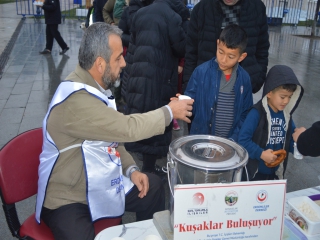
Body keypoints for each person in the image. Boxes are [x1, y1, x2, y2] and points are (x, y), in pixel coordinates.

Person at [35, 23, 194, 240]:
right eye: (118, 58)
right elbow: (126, 128)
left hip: (99, 182)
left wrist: (131, 170)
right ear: (100, 63)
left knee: (153, 186)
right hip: (69, 197)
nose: (124, 63)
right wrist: (168, 112)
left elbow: (112, 138)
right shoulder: (76, 100)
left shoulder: (95, 87)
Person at [122, 0, 189, 175]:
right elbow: (181, 48)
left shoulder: (140, 13)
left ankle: (146, 167)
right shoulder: (173, 16)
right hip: (160, 78)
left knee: (144, 115)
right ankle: (150, 170)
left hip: (139, 73)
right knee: (158, 118)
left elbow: (132, 46)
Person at [183, 0, 270, 94]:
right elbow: (191, 52)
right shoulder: (201, 9)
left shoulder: (257, 8)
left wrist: (257, 78)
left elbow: (262, 48)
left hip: (243, 87)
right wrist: (189, 85)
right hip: (205, 86)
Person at [184, 24, 253, 141]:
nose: (224, 59)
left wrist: (234, 138)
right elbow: (191, 103)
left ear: (241, 57)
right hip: (202, 139)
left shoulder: (244, 79)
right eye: (221, 52)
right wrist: (183, 103)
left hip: (229, 143)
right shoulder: (201, 72)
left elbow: (246, 113)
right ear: (217, 44)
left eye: (231, 56)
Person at [239, 65, 304, 181]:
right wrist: (261, 154)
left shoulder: (286, 116)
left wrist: (299, 145)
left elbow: (289, 141)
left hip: (274, 174)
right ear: (269, 93)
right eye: (283, 96)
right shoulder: (256, 113)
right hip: (254, 174)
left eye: (290, 97)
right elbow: (243, 140)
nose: (287, 101)